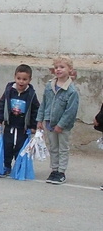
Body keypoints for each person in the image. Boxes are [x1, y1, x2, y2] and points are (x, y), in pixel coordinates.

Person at [36, 56, 79, 185]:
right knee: (53, 147)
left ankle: (61, 172)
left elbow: (71, 111)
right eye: (56, 67)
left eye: (62, 67)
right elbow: (44, 103)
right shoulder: (50, 86)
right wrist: (40, 119)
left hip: (63, 126)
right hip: (50, 122)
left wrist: (61, 125)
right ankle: (54, 169)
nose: (58, 70)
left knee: (63, 148)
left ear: (70, 70)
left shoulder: (71, 91)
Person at [0, 64, 40, 177]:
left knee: (20, 148)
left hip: (23, 128)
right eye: (19, 78)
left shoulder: (31, 94)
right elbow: (2, 105)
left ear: (30, 80)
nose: (21, 82)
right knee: (7, 146)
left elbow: (35, 110)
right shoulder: (9, 91)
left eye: (25, 79)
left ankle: (19, 166)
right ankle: (7, 166)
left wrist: (33, 126)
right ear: (15, 77)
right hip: (9, 125)